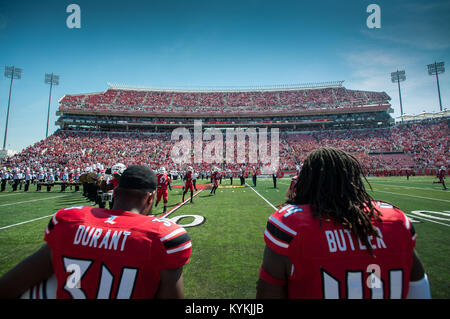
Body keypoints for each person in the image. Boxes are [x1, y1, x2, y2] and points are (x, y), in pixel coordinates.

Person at [256, 147, 430, 299]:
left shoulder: (289, 225)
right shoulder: (396, 221)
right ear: (354, 179)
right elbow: (420, 291)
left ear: (307, 179)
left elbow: (267, 292)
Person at [0, 165, 192, 299]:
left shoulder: (69, 221)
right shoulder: (164, 237)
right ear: (150, 199)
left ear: (115, 193)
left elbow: (8, 286)